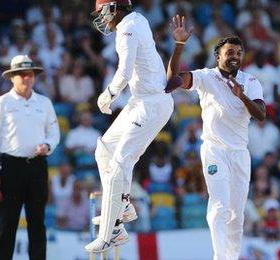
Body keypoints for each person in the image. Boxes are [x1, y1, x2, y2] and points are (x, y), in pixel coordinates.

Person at [165, 15, 266, 260]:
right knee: (219, 206)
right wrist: (179, 46)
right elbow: (171, 81)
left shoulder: (250, 81)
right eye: (230, 52)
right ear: (218, 56)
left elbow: (261, 114)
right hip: (214, 149)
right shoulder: (206, 76)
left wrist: (242, 97)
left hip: (240, 153)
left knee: (236, 214)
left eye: (239, 53)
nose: (235, 56)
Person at [85, 0, 174, 253]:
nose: (102, 18)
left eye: (103, 12)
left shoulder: (127, 29)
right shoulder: (138, 20)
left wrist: (108, 94)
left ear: (114, 8)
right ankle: (121, 209)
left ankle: (109, 234)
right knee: (103, 150)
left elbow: (123, 72)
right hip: (141, 100)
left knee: (119, 164)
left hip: (152, 105)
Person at [0, 54, 60, 260]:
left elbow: (54, 134)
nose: (26, 78)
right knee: (7, 223)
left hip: (36, 166)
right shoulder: (1, 103)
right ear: (12, 77)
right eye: (21, 75)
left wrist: (48, 145)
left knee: (37, 222)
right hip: (9, 167)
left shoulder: (44, 103)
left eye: (30, 74)